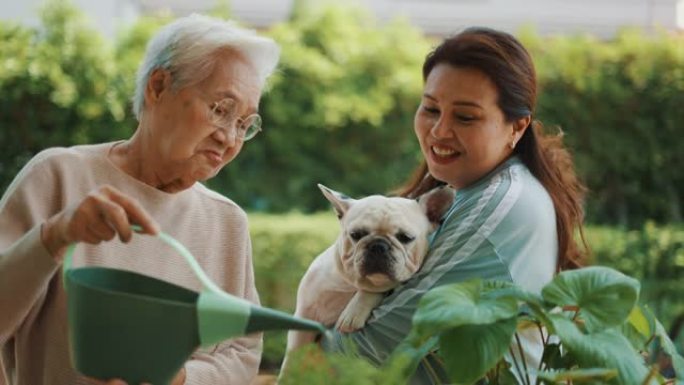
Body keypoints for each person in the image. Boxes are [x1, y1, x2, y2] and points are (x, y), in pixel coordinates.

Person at [0, 14, 279, 385]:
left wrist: (180, 379)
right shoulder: (58, 177)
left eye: (244, 124)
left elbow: (242, 351)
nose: (229, 138)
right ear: (159, 87)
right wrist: (53, 236)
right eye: (220, 110)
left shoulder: (227, 221)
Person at [323, 27, 588, 384]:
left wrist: (305, 347)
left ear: (517, 127)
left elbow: (373, 346)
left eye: (465, 117)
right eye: (431, 108)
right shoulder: (470, 190)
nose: (439, 131)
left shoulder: (497, 206)